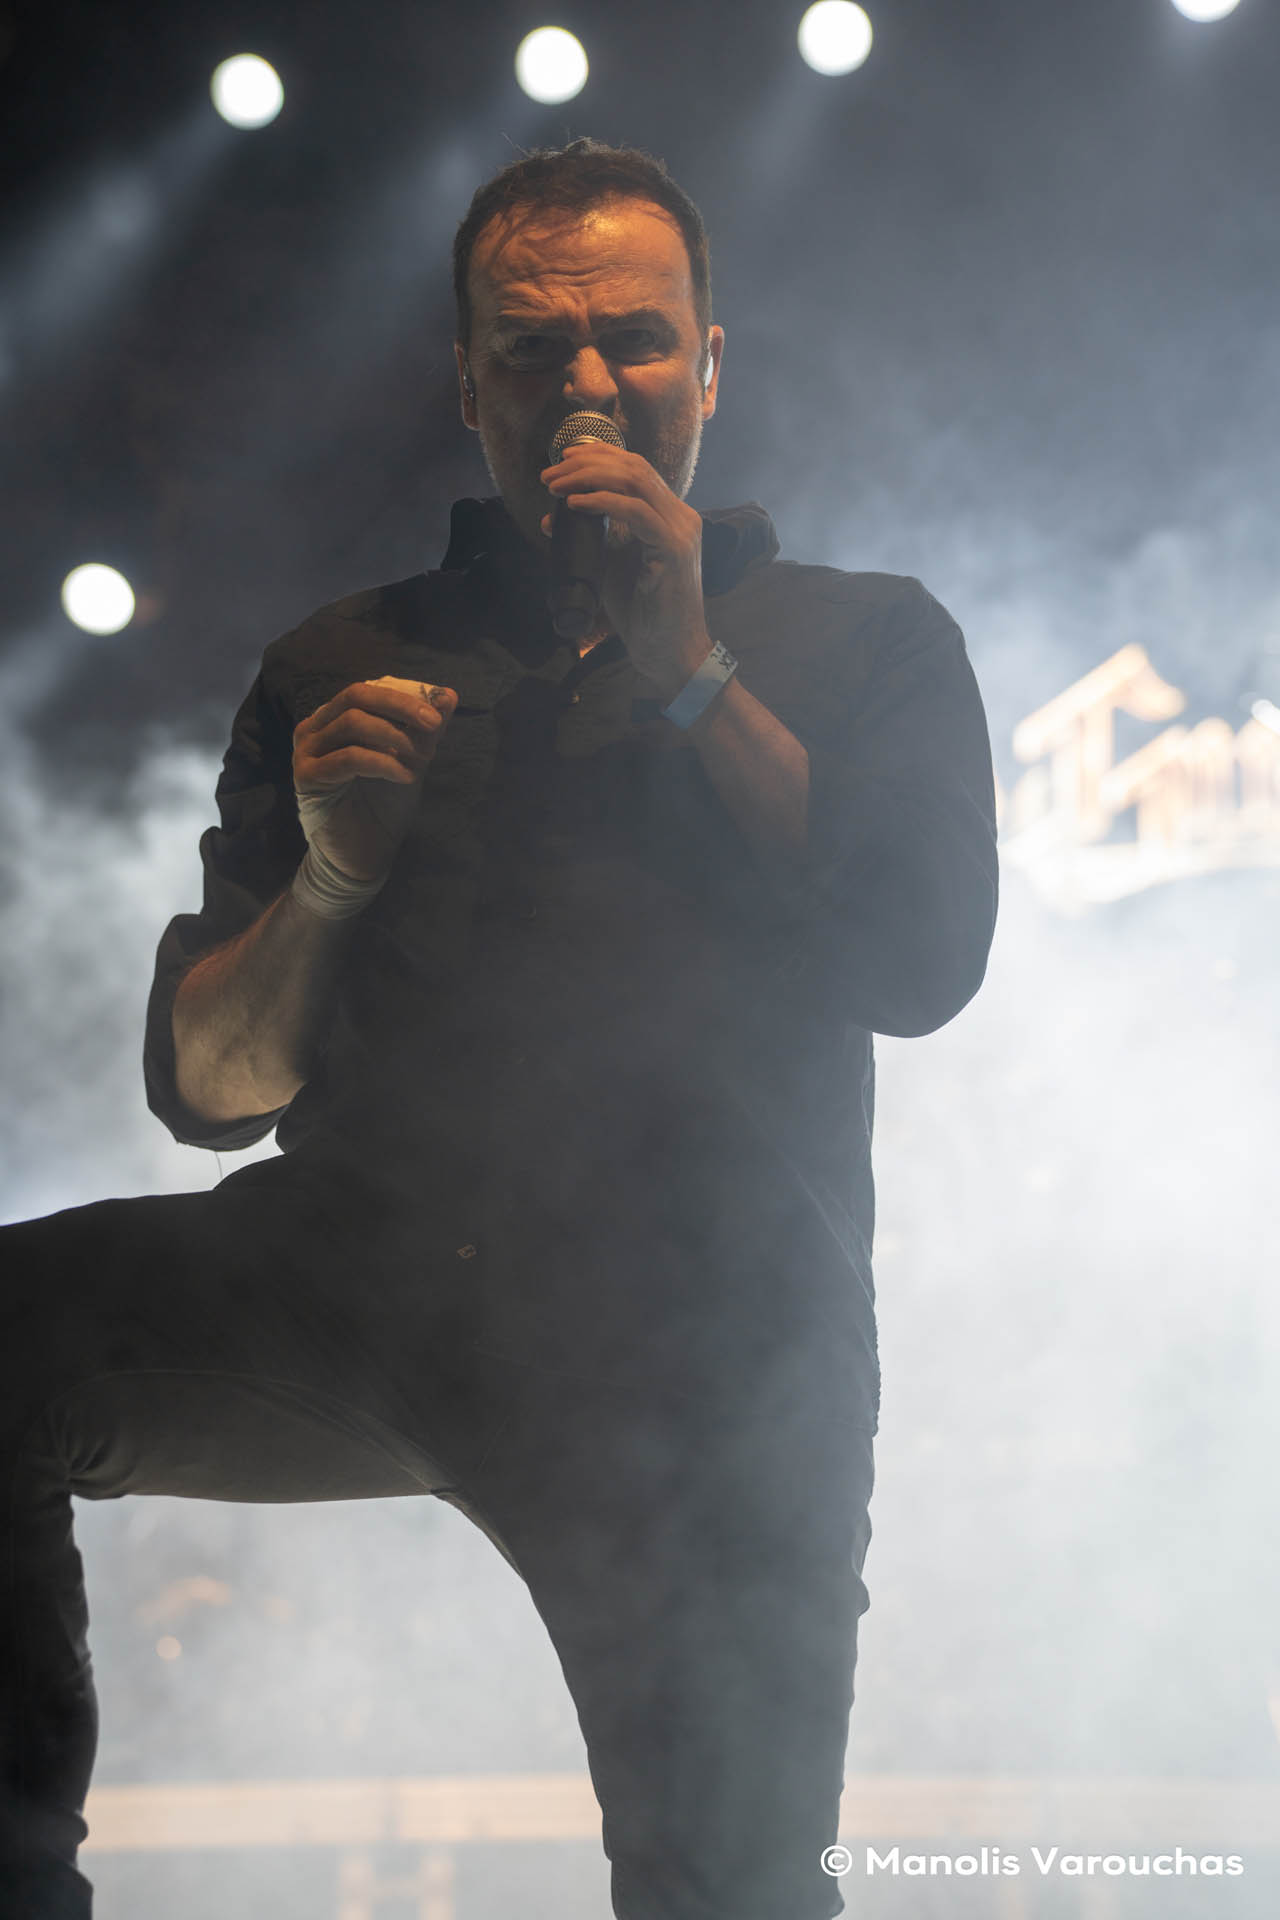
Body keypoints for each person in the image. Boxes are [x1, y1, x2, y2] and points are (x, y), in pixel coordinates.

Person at [0, 136, 999, 1920]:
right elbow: (212, 1091)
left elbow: (918, 965)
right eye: (533, 348)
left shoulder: (864, 644)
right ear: (468, 386)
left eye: (635, 338)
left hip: (707, 1356)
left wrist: (692, 666)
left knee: (732, 1890)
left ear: (709, 365)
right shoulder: (342, 664)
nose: (587, 385)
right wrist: (328, 879)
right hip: (367, 1285)